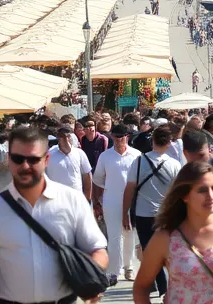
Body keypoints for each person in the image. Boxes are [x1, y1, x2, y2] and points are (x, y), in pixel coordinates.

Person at [0, 126, 108, 303]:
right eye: (18, 159)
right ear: (9, 159)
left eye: (33, 159)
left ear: (46, 160)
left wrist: (90, 277)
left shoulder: (72, 200)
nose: (25, 166)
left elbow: (97, 249)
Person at [133, 161, 213, 304]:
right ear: (185, 196)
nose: (211, 195)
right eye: (202, 190)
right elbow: (141, 287)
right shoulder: (166, 237)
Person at [124, 125, 182, 299]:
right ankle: (165, 286)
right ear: (169, 143)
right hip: (166, 215)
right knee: (167, 251)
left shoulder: (139, 161)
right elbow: (178, 193)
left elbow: (129, 189)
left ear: (152, 141)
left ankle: (160, 286)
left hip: (143, 214)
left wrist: (124, 213)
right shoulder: (174, 164)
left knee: (149, 252)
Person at [93, 123, 142, 284]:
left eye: (120, 136)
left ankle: (128, 267)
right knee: (114, 236)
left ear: (127, 137)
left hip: (132, 201)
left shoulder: (136, 155)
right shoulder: (105, 156)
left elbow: (141, 179)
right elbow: (98, 178)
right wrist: (98, 201)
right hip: (111, 200)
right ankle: (114, 271)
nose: (117, 140)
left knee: (129, 234)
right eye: (114, 136)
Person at [45, 125, 93, 201]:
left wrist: (88, 199)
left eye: (68, 136)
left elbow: (87, 176)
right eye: (62, 136)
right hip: (56, 201)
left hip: (76, 201)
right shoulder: (49, 154)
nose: (65, 139)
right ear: (58, 138)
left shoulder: (79, 153)